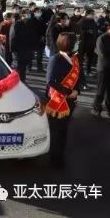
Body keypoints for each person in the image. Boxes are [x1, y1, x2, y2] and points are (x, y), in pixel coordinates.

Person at [45, 32, 84, 168]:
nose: (78, 44)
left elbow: (79, 78)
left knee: (63, 130)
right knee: (56, 131)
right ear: (69, 44)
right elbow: (50, 81)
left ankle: (60, 155)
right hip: (58, 101)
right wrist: (68, 92)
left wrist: (77, 91)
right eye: (76, 42)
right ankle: (54, 159)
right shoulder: (56, 59)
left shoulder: (74, 59)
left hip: (70, 101)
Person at [92, 23, 110, 119]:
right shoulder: (101, 38)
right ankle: (96, 108)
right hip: (104, 68)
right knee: (101, 90)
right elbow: (104, 54)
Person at [10, 9, 34, 83]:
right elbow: (12, 37)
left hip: (26, 50)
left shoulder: (29, 23)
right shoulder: (17, 24)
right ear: (22, 15)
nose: (28, 15)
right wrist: (13, 50)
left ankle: (22, 80)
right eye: (26, 14)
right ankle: (19, 81)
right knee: (19, 67)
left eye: (28, 14)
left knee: (23, 67)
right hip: (18, 50)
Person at [78, 9, 98, 76]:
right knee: (81, 58)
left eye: (93, 14)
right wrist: (87, 31)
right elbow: (78, 31)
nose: (93, 15)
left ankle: (88, 71)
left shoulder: (92, 21)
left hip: (91, 42)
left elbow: (95, 29)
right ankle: (79, 71)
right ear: (87, 14)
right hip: (83, 43)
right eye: (92, 14)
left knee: (90, 57)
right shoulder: (82, 21)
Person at [28, 6, 46, 72]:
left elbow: (45, 29)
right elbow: (30, 31)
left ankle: (39, 68)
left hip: (41, 40)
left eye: (40, 12)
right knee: (30, 55)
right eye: (37, 12)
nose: (39, 13)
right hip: (33, 40)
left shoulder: (42, 20)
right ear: (34, 12)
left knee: (40, 55)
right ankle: (29, 66)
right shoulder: (31, 20)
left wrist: (43, 36)